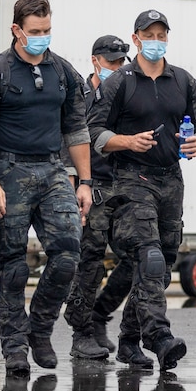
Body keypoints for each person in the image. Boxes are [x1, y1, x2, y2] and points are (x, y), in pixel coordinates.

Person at [0, 0, 92, 375]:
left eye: (47, 31)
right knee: (11, 265)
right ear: (16, 30)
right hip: (8, 170)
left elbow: (76, 129)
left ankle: (40, 327)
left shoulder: (63, 72)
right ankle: (14, 347)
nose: (42, 38)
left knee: (69, 252)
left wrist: (85, 181)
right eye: (35, 32)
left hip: (53, 170)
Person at [87, 9, 196, 372]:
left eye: (162, 34)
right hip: (130, 179)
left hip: (171, 178)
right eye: (149, 34)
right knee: (148, 256)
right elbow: (93, 132)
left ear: (167, 38)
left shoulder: (183, 80)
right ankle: (158, 336)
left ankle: (128, 340)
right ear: (137, 38)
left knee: (162, 264)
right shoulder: (120, 81)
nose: (156, 40)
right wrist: (126, 141)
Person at [63, 35, 135, 359]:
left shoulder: (130, 90)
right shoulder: (78, 94)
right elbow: (70, 137)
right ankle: (81, 333)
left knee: (137, 257)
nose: (118, 68)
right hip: (90, 187)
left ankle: (100, 313)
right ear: (95, 61)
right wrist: (75, 186)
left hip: (123, 187)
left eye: (122, 61)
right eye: (112, 62)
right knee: (89, 261)